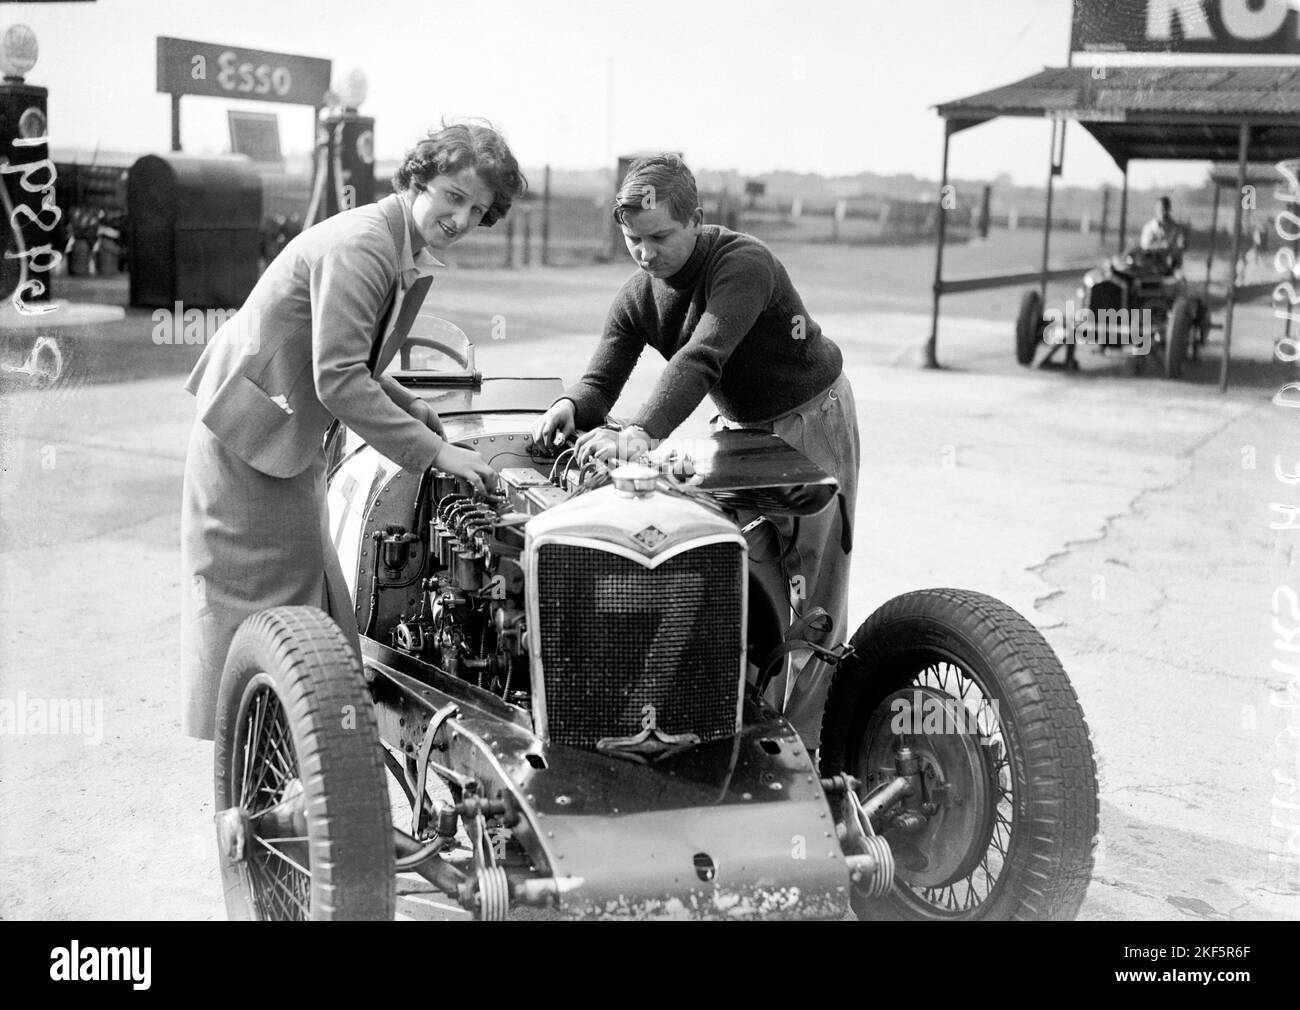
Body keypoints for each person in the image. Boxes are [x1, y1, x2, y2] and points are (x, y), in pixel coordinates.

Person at [180, 122, 523, 740]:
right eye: (451, 195)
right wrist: (436, 452)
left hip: (279, 431)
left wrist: (408, 407)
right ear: (419, 178)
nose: (459, 218)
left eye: (476, 208)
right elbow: (338, 379)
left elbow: (352, 364)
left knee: (316, 602)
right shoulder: (366, 245)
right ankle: (264, 769)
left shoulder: (392, 241)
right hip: (250, 435)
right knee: (268, 614)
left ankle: (298, 756)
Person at [532, 153, 860, 756]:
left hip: (809, 415)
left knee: (813, 585)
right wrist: (573, 406)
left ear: (697, 221)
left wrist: (638, 431)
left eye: (659, 237)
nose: (646, 253)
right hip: (737, 422)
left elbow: (701, 357)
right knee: (718, 557)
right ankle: (721, 709)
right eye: (633, 240)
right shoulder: (639, 293)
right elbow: (604, 375)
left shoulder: (743, 263)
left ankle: (816, 750)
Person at [1139, 195, 1187, 270]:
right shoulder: (1149, 227)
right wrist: (1162, 246)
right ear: (1155, 209)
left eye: (1165, 209)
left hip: (1172, 268)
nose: (1163, 212)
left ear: (1169, 209)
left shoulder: (1176, 228)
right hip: (1152, 268)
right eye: (1160, 209)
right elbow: (1145, 246)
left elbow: (1181, 247)